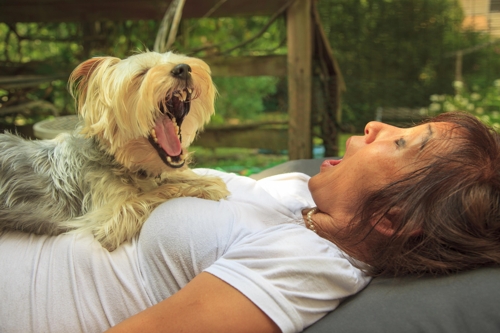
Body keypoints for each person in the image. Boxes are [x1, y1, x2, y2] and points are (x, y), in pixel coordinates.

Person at [1, 111, 499, 333]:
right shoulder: (296, 199)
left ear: (392, 218)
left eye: (399, 142)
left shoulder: (306, 265)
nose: (375, 126)